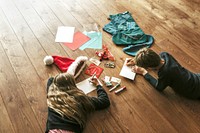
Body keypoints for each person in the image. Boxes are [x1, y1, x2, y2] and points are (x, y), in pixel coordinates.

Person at [45, 73, 110, 133]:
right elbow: (105, 101)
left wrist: (65, 78)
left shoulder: (52, 95)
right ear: (72, 85)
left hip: (53, 129)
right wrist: (98, 85)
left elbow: (50, 80)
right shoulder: (80, 99)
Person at [126, 47, 200, 99]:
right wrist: (136, 60)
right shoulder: (164, 55)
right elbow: (152, 61)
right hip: (195, 77)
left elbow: (159, 87)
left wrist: (144, 72)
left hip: (193, 91)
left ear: (149, 68)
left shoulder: (165, 73)